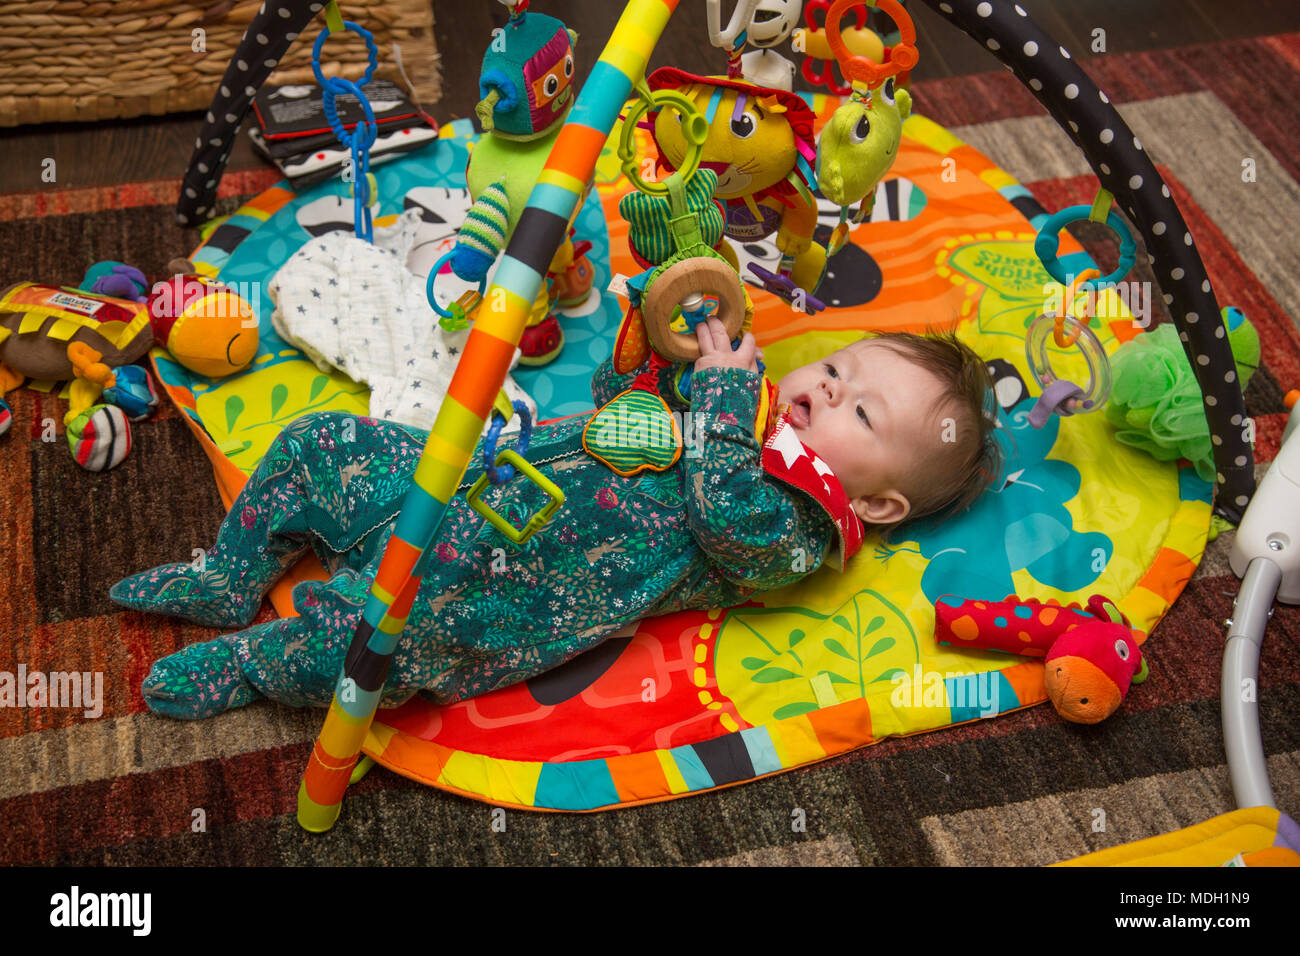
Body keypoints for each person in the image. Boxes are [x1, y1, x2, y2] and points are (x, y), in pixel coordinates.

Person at [111, 320, 1001, 719]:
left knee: (366, 646)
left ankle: (251, 663)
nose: (826, 390)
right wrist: (648, 353)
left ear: (878, 502)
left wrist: (725, 405)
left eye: (862, 413)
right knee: (318, 442)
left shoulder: (802, 527)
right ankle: (230, 576)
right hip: (471, 477)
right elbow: (628, 416)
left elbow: (723, 512)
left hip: (498, 585)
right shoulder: (749, 409)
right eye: (837, 371)